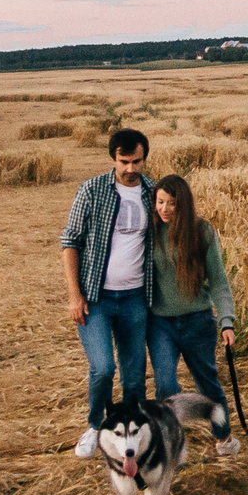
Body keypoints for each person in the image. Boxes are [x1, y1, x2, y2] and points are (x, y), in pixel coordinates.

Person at [59, 128, 157, 458]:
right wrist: (75, 295)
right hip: (96, 298)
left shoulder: (151, 192)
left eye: (137, 161)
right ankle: (94, 426)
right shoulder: (92, 190)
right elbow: (70, 242)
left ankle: (133, 436)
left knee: (134, 376)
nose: (131, 168)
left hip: (134, 298)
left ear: (145, 158)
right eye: (124, 161)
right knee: (102, 368)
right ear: (113, 158)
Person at [147, 174, 241, 458]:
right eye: (159, 202)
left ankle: (224, 437)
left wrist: (227, 321)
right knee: (165, 385)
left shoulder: (203, 232)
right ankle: (171, 442)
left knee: (207, 383)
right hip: (160, 323)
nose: (164, 209)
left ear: (183, 205)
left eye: (171, 203)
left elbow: (219, 281)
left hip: (197, 322)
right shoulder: (149, 232)